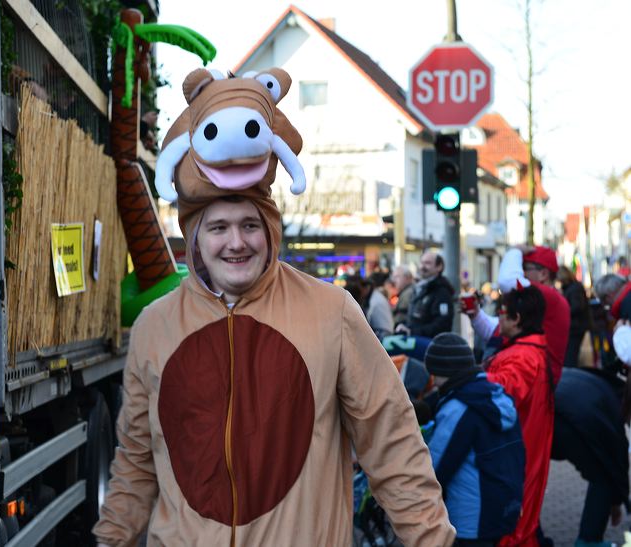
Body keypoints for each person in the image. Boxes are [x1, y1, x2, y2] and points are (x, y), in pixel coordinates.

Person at [94, 65, 454, 546]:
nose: (236, 243)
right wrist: (113, 537)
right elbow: (137, 460)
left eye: (249, 225)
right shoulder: (155, 327)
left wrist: (430, 538)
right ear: (195, 240)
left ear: (270, 232)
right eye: (218, 228)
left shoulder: (333, 313)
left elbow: (391, 439)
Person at [423, 333, 524, 546]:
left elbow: (435, 469)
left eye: (433, 374)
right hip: (504, 506)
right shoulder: (498, 398)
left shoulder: (458, 409)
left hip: (471, 519)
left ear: (442, 373)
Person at [483, 286, 554, 547]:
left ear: (517, 319)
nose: (498, 318)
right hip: (524, 453)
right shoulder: (530, 350)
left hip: (516, 458)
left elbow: (497, 392)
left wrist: (468, 377)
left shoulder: (522, 356)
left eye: (502, 313)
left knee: (514, 530)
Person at [467, 245, 570, 384]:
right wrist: (476, 315)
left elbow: (507, 281)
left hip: (533, 382)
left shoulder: (550, 296)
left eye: (524, 268)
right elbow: (496, 330)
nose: (521, 273)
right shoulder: (540, 298)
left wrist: (515, 251)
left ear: (543, 274)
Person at [552, 367, 629, 547]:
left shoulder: (604, 385)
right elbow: (618, 459)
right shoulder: (612, 409)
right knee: (602, 477)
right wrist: (616, 502)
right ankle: (588, 540)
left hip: (547, 409)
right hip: (565, 421)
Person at [396, 251, 454, 338]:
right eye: (422, 262)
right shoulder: (421, 287)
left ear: (439, 267)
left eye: (427, 263)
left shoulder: (441, 291)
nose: (422, 267)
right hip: (418, 338)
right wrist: (404, 327)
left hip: (431, 343)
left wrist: (412, 331)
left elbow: (442, 325)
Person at [558, 265, 592, 367]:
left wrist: (562, 312)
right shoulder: (572, 287)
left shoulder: (574, 288)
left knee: (571, 355)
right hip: (575, 326)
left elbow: (577, 307)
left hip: (576, 327)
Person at [345, 275, 394, 340]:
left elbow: (386, 332)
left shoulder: (377, 303)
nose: (359, 297)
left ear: (363, 288)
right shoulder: (369, 298)